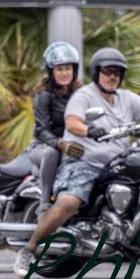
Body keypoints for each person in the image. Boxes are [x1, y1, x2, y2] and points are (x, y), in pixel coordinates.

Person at [12, 47, 140, 276]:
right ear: (97, 72)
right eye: (107, 72)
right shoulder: (84, 95)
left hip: (116, 162)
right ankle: (29, 250)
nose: (112, 77)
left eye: (117, 73)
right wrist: (89, 130)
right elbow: (72, 123)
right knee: (70, 201)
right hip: (84, 162)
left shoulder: (126, 98)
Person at [28, 42, 81, 204]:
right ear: (51, 71)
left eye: (67, 68)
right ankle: (44, 204)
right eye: (59, 69)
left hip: (71, 146)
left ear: (74, 70)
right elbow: (41, 130)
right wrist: (61, 144)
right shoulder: (44, 95)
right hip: (43, 147)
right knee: (52, 153)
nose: (64, 73)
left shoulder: (80, 93)